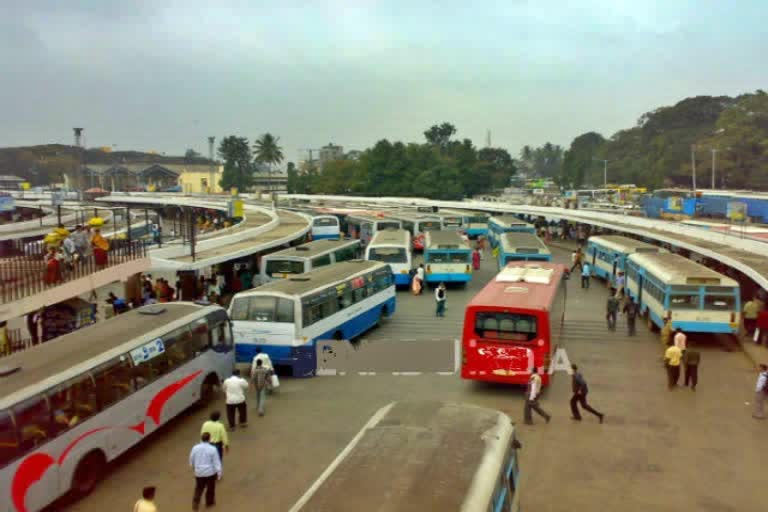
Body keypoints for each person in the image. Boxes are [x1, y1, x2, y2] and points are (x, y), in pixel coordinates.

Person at [189, 432, 221, 510]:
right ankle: (209, 502)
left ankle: (195, 503)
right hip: (210, 473)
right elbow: (216, 462)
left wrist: (193, 467)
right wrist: (219, 473)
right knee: (210, 488)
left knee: (199, 488)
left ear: (201, 438)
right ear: (209, 439)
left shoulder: (195, 448)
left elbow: (191, 459)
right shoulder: (213, 449)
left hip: (199, 473)